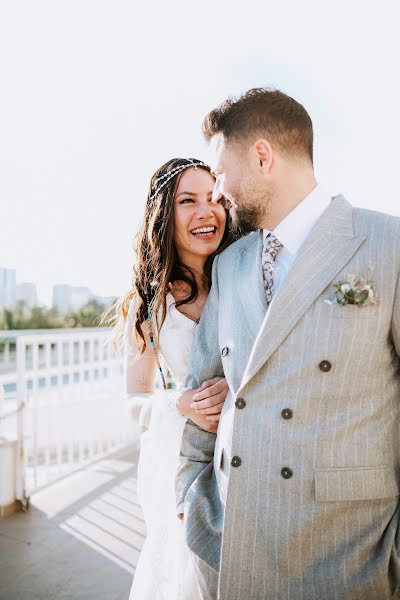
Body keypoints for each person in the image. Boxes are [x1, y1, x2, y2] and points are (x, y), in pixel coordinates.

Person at [176, 88, 400, 599]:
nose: (217, 194)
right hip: (231, 544)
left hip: (347, 555)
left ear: (262, 156)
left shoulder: (388, 244)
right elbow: (203, 388)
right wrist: (189, 496)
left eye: (220, 174)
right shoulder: (230, 266)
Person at [120, 157, 235, 599]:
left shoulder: (245, 276)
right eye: (188, 201)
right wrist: (179, 404)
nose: (206, 211)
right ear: (164, 215)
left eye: (214, 198)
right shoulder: (150, 303)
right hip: (179, 454)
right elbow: (133, 398)